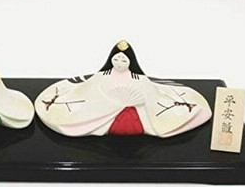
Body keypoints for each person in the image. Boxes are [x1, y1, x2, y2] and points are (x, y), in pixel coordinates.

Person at [35, 40, 212, 137]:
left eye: (123, 60)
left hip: (138, 114)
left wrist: (137, 101)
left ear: (131, 61)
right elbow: (89, 92)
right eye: (116, 59)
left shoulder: (140, 78)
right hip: (102, 115)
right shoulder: (102, 76)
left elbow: (151, 94)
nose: (119, 63)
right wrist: (110, 103)